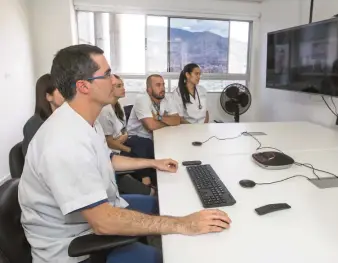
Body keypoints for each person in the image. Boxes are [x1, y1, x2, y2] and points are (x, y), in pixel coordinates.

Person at [18, 44, 231, 263]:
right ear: (83, 86)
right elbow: (103, 222)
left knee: (162, 204)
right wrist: (183, 224)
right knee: (164, 255)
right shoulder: (63, 142)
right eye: (107, 75)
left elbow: (107, 159)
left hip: (97, 212)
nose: (114, 81)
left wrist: (153, 162)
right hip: (76, 246)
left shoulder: (84, 120)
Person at [98, 74, 154, 193]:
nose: (123, 88)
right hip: (115, 149)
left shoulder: (118, 106)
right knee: (139, 148)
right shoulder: (105, 111)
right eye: (119, 86)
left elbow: (123, 130)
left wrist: (124, 137)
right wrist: (127, 149)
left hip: (123, 141)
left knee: (146, 144)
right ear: (110, 89)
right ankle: (146, 182)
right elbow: (109, 142)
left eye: (123, 85)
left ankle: (149, 180)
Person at [126, 74, 180, 154]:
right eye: (158, 85)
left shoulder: (167, 98)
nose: (162, 88)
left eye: (163, 85)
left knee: (176, 147)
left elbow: (177, 120)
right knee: (161, 153)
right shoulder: (142, 99)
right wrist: (168, 121)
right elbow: (151, 126)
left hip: (158, 136)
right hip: (138, 138)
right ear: (149, 89)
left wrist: (159, 118)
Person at [22, 73, 65, 156]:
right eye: (61, 90)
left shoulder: (61, 118)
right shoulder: (34, 125)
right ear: (49, 96)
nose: (66, 93)